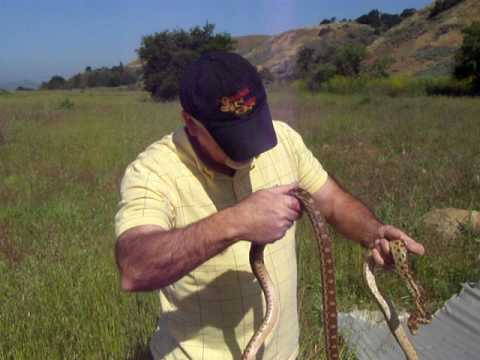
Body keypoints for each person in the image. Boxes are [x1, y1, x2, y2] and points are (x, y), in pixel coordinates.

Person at [114, 51, 425, 360]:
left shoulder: (285, 139)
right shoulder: (153, 171)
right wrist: (234, 222)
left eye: (254, 125)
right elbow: (135, 268)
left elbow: (332, 201)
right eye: (231, 136)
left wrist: (375, 233)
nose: (251, 147)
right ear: (191, 124)